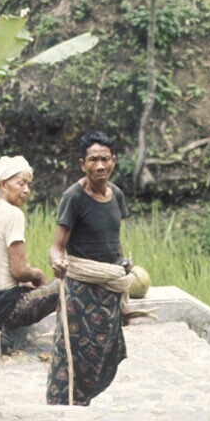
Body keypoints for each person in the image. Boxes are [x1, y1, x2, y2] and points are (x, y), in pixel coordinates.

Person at [46, 131, 132, 406]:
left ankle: (84, 402)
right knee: (73, 354)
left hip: (109, 288)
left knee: (103, 353)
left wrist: (123, 284)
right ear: (82, 164)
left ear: (113, 160)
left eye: (105, 159)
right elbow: (57, 246)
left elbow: (115, 240)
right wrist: (57, 262)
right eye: (93, 160)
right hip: (82, 293)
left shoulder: (116, 194)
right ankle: (63, 406)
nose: (100, 166)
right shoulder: (73, 197)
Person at [0, 155, 60, 352]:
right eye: (21, 183)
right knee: (66, 284)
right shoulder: (14, 214)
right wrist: (38, 275)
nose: (26, 190)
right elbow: (20, 271)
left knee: (26, 286)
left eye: (29, 185)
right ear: (3, 185)